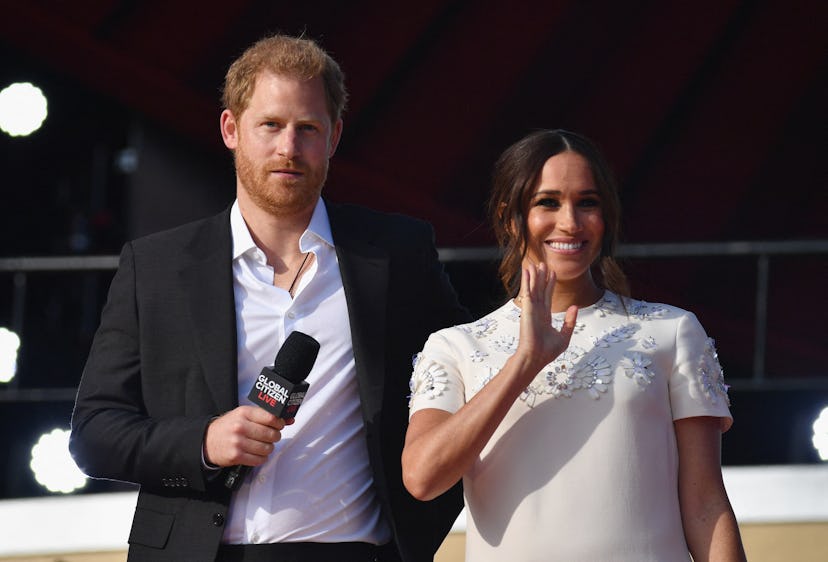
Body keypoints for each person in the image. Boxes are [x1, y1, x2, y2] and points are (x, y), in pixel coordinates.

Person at [70, 33, 469, 562]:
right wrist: (204, 443)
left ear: (334, 137)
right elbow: (95, 433)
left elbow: (471, 368)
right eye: (271, 125)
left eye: (308, 129)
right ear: (231, 128)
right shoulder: (157, 267)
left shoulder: (396, 253)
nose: (289, 148)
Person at [402, 129, 748, 561]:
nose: (570, 222)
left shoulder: (672, 331)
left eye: (587, 202)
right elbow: (422, 478)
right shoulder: (455, 346)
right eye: (547, 202)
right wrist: (524, 362)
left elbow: (706, 505)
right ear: (511, 217)